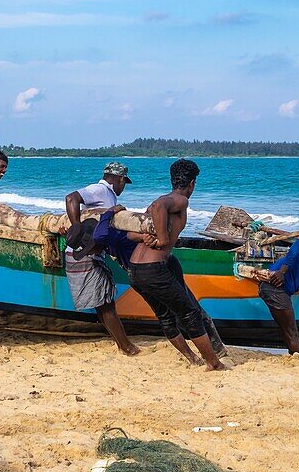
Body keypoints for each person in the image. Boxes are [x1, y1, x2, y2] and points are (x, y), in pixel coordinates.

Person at [126, 159, 226, 371]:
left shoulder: (154, 204)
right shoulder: (178, 200)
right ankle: (214, 363)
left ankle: (193, 359)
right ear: (192, 183)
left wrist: (146, 236)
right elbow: (163, 206)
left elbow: (130, 233)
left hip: (135, 270)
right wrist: (162, 238)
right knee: (189, 312)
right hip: (153, 271)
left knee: (165, 316)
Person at [62, 163, 139, 356]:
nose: (124, 188)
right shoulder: (100, 189)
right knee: (106, 303)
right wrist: (77, 227)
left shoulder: (108, 194)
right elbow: (71, 198)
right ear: (120, 179)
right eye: (124, 183)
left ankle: (122, 344)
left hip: (90, 252)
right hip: (85, 252)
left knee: (102, 301)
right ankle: (127, 347)